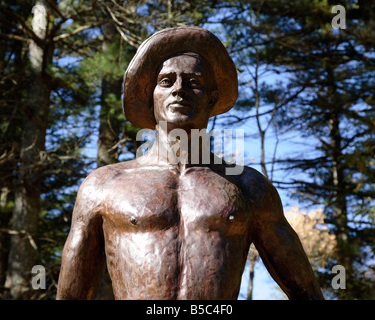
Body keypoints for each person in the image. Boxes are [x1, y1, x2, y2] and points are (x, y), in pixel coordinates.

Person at [56, 27, 324, 300]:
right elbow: (71, 296)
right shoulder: (103, 185)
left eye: (193, 82)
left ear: (212, 99)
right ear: (151, 95)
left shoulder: (249, 188)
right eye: (166, 81)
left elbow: (307, 293)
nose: (179, 90)